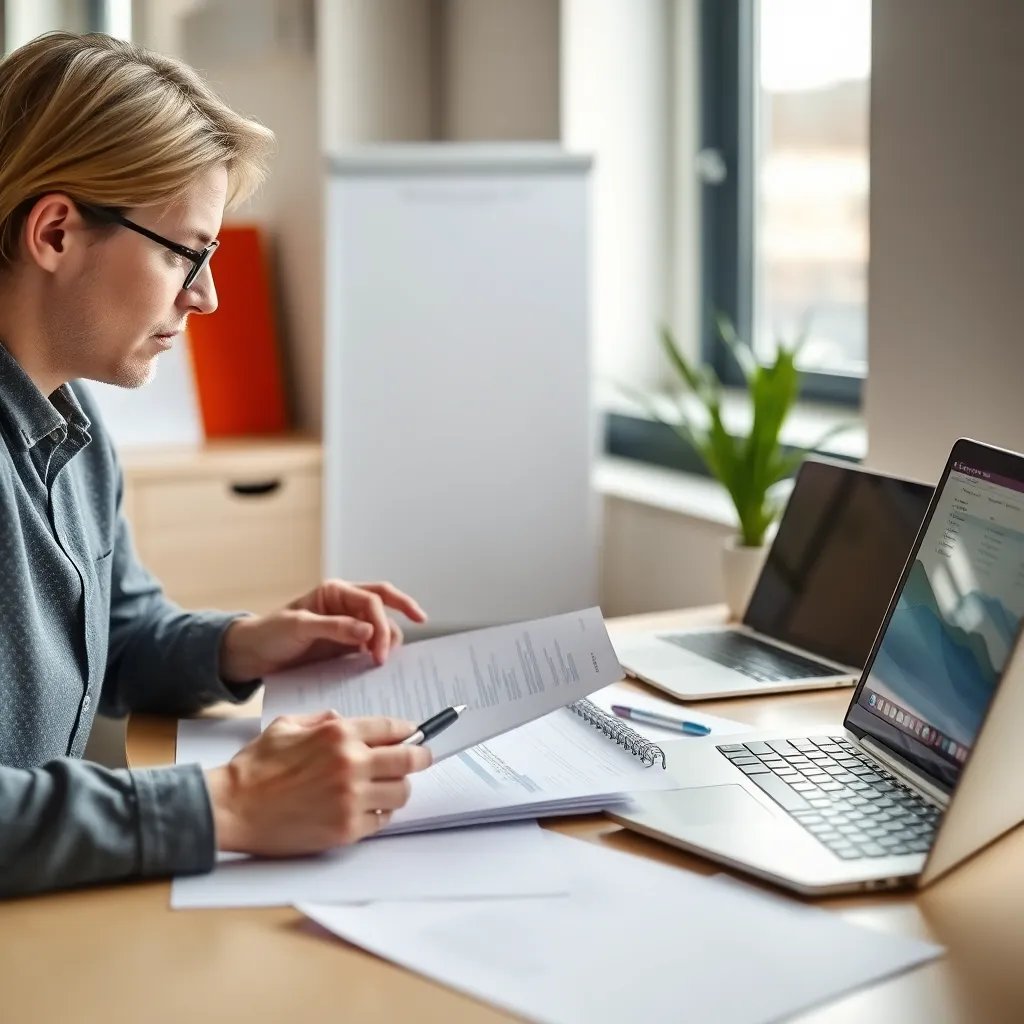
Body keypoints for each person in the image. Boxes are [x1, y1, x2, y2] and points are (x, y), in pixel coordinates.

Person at [0, 31, 433, 899]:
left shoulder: (73, 427)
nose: (207, 295)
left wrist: (249, 643)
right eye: (183, 253)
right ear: (55, 231)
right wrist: (226, 801)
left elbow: (114, 634)